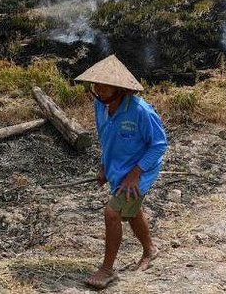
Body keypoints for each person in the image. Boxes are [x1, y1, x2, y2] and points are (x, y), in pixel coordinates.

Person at [75, 55, 168, 290]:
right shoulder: (100, 105)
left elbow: (159, 144)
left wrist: (135, 173)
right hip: (118, 168)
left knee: (112, 213)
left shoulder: (140, 111)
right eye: (97, 83)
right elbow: (106, 138)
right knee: (132, 211)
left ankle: (107, 270)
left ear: (120, 87)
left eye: (106, 85)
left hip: (140, 171)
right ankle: (150, 250)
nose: (99, 88)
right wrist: (104, 167)